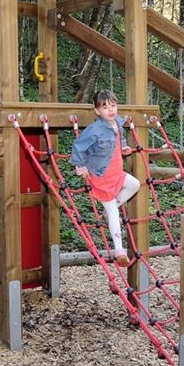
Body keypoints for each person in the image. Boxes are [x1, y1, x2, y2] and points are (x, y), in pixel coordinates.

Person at [69, 90, 142, 267]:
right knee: (114, 213)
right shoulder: (95, 130)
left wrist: (123, 148)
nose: (110, 110)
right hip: (102, 176)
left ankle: (109, 209)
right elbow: (78, 146)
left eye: (113, 106)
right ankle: (119, 251)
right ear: (97, 111)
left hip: (116, 173)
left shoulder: (118, 122)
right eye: (105, 107)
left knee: (135, 184)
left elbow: (117, 140)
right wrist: (81, 166)